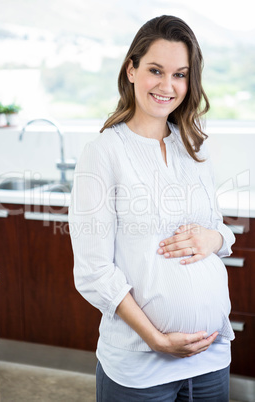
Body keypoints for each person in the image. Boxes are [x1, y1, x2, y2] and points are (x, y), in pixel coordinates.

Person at [68, 15, 236, 402]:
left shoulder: (195, 146)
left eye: (180, 74)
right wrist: (158, 339)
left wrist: (214, 237)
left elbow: (219, 231)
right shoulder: (104, 152)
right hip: (140, 367)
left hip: (211, 359)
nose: (167, 85)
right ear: (131, 69)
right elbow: (93, 272)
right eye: (155, 70)